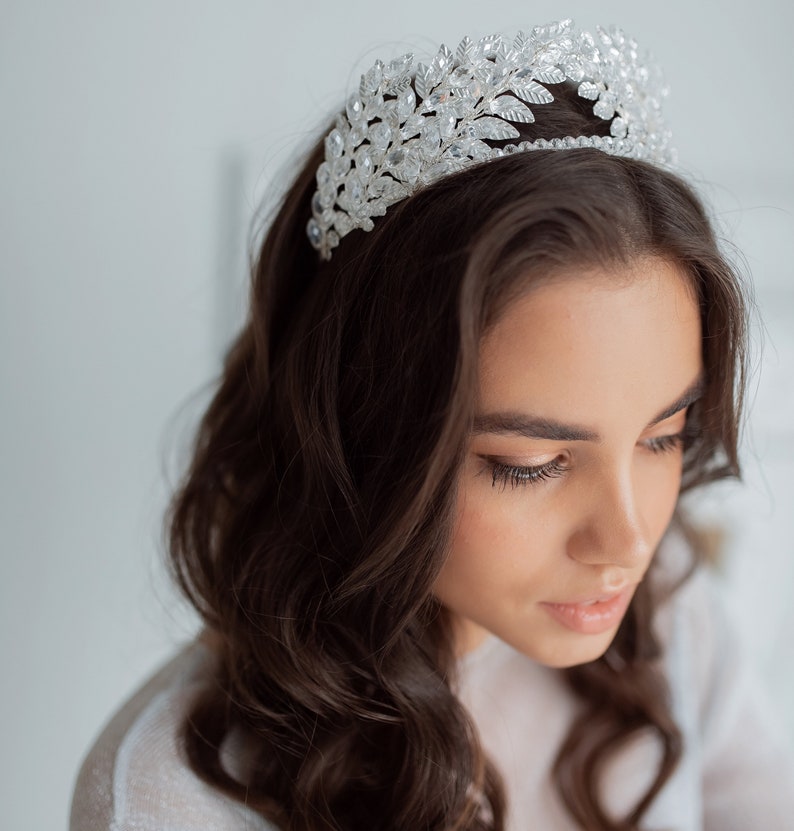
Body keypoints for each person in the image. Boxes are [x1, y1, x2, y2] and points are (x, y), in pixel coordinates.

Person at [70, 20, 794, 831]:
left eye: (664, 434)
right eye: (530, 462)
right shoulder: (174, 799)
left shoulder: (667, 622)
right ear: (361, 430)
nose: (629, 539)